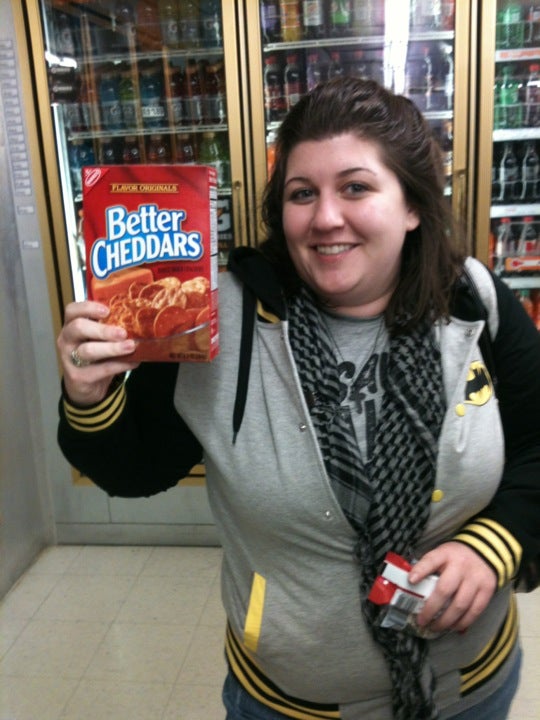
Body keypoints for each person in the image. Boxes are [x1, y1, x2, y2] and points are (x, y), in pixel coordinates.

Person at [56, 77, 540, 720]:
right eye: (302, 193)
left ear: (412, 206)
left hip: (468, 691)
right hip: (286, 704)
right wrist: (89, 396)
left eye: (356, 187)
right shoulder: (217, 319)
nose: (325, 218)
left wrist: (494, 545)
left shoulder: (472, 298)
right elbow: (135, 469)